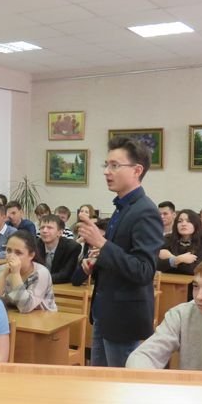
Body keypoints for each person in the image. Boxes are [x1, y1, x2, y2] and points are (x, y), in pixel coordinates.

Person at [72, 136, 160, 367]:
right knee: (99, 381)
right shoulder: (122, 207)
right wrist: (97, 260)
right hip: (105, 311)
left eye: (115, 165)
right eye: (106, 165)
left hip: (124, 317)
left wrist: (102, 244)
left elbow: (144, 270)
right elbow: (119, 255)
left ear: (137, 170)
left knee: (119, 383)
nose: (106, 171)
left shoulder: (145, 211)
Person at [0, 230, 56, 312]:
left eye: (18, 253)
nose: (11, 256)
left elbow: (26, 306)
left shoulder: (41, 273)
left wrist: (15, 274)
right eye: (8, 251)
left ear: (31, 255)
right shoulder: (1, 269)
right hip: (15, 316)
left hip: (44, 317)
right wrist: (4, 274)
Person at [157, 209, 202, 275]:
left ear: (196, 224)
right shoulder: (167, 239)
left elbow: (199, 269)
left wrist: (173, 258)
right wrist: (179, 259)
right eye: (180, 221)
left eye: (188, 221)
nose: (183, 224)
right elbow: (157, 265)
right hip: (168, 279)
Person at [36, 215, 81, 284]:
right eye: (42, 227)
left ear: (60, 232)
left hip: (63, 287)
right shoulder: (34, 245)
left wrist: (39, 279)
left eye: (49, 228)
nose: (44, 231)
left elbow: (65, 275)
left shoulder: (72, 247)